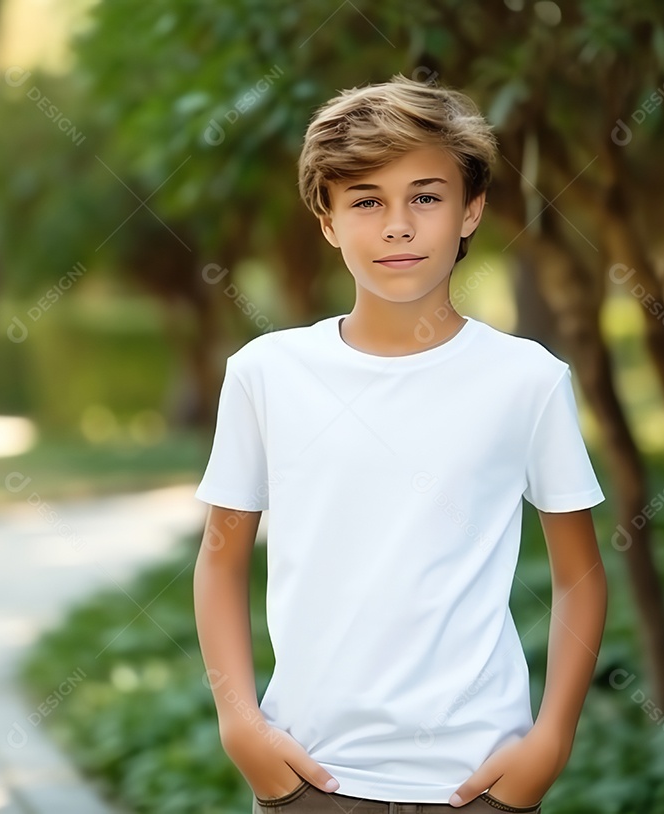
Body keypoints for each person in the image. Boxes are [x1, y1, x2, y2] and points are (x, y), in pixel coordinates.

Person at [193, 73, 608, 813]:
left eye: (425, 196)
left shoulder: (527, 380)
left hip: (478, 784)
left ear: (470, 210)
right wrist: (240, 728)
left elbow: (581, 576)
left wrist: (550, 743)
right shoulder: (266, 374)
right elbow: (221, 561)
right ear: (327, 221)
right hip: (311, 779)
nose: (397, 226)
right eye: (365, 201)